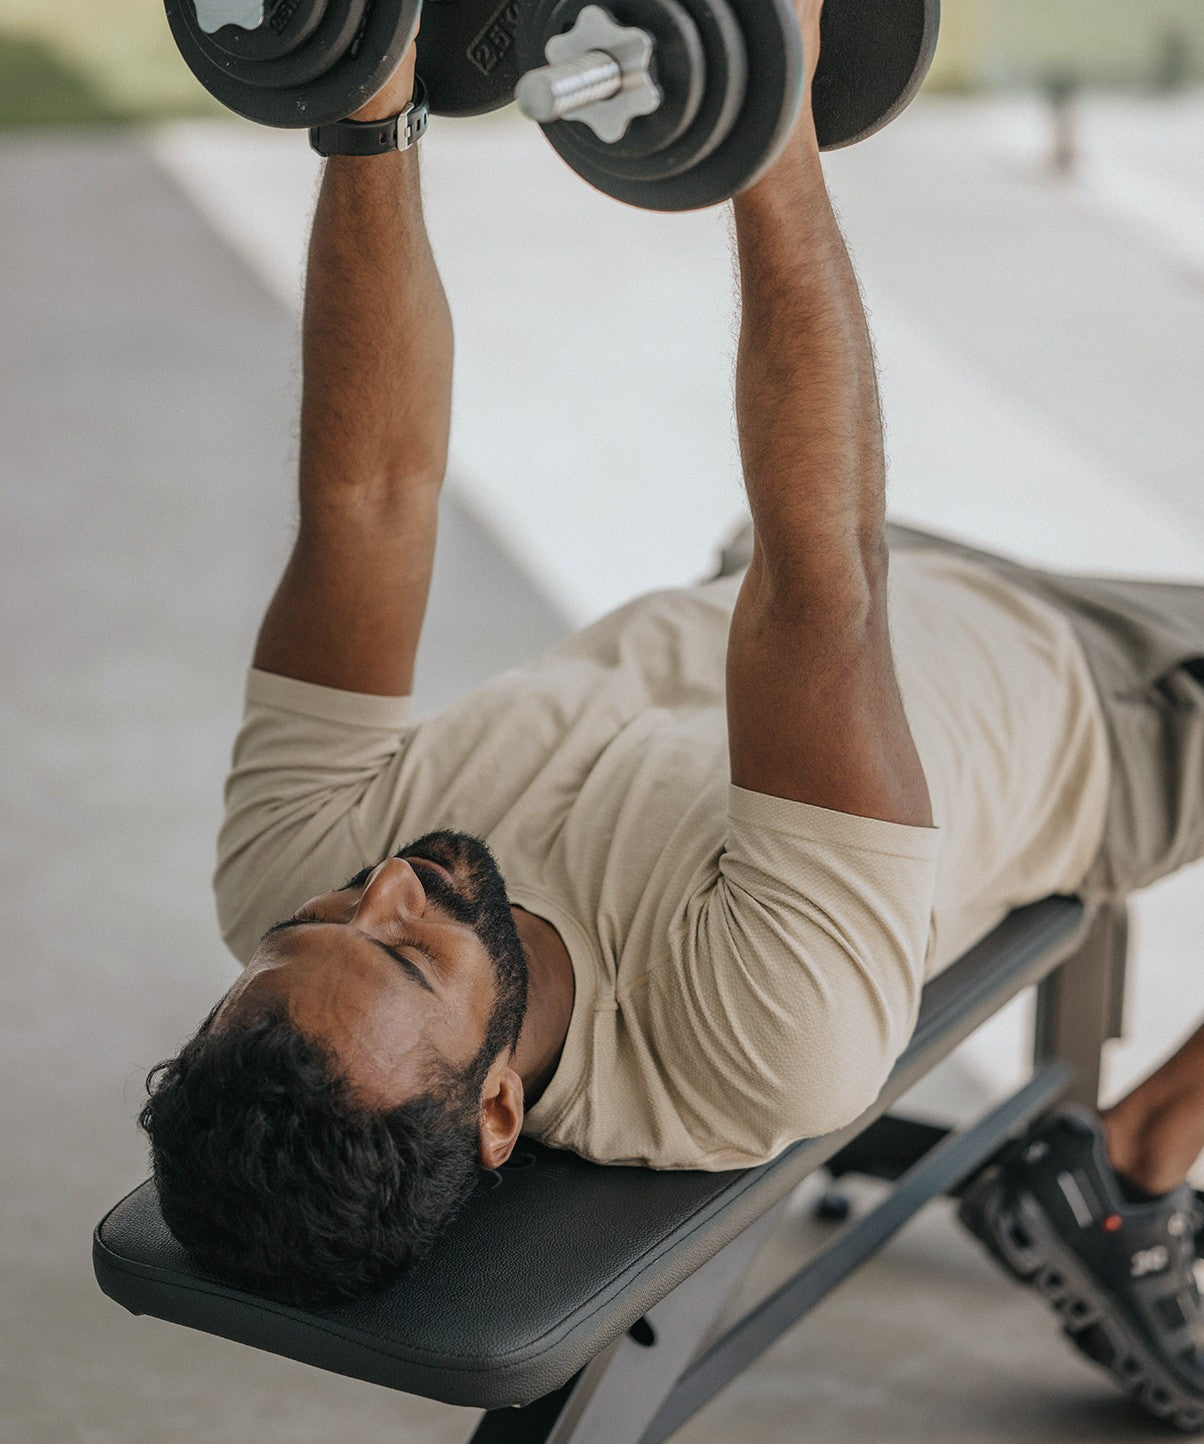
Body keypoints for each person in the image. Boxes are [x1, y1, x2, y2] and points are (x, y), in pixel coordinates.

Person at [140, 0, 1204, 1425]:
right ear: (500, 1111)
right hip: (1096, 702)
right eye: (404, 953)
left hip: (836, 601)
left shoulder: (285, 870)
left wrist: (367, 109)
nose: (383, 881)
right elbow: (822, 582)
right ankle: (1136, 1162)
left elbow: (367, 505)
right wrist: (773, 119)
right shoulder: (754, 1039)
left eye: (316, 923)